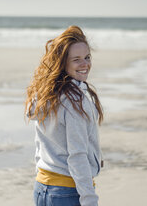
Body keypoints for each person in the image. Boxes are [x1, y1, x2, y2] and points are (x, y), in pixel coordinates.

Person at [25, 25, 103, 206]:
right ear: (63, 63)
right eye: (76, 59)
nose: (85, 64)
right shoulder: (75, 101)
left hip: (42, 188)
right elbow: (77, 156)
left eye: (87, 57)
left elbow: (42, 143)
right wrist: (90, 201)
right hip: (66, 193)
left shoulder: (46, 94)